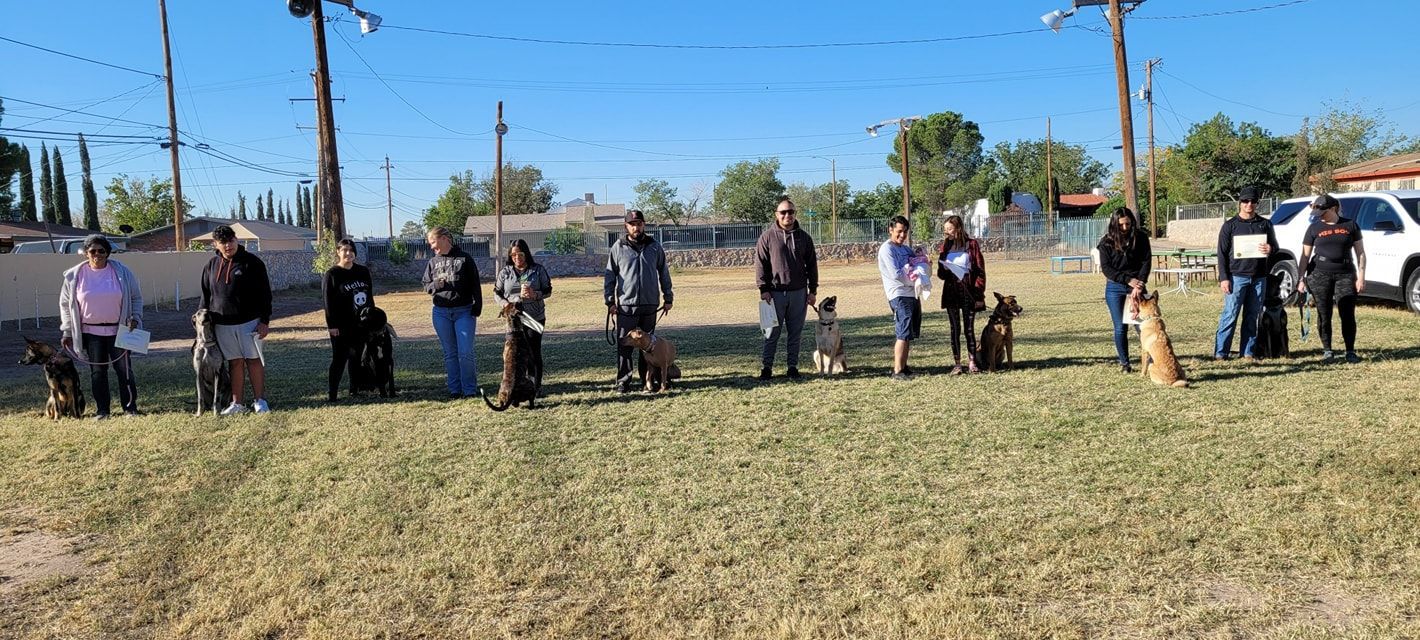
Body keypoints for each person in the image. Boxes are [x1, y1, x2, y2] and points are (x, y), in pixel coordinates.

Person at [57, 234, 143, 419]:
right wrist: (67, 330)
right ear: (86, 253)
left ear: (108, 252)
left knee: (124, 370)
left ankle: (130, 408)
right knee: (98, 372)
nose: (97, 254)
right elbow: (66, 305)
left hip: (120, 330)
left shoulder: (123, 272)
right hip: (91, 333)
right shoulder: (74, 276)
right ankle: (103, 410)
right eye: (92, 251)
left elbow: (136, 298)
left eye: (101, 251)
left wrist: (135, 317)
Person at [201, 225, 273, 415]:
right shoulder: (210, 265)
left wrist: (264, 321)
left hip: (250, 322)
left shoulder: (252, 263)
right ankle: (237, 404)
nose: (228, 246)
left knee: (254, 361)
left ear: (236, 240)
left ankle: (260, 401)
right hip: (222, 325)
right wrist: (202, 322)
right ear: (215, 244)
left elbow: (265, 294)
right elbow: (205, 296)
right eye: (223, 243)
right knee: (234, 363)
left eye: (231, 241)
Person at [604, 209, 673, 393]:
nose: (636, 227)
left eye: (639, 223)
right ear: (626, 226)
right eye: (632, 224)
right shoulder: (618, 247)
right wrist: (610, 301)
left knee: (648, 346)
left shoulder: (655, 246)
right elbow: (610, 275)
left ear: (644, 225)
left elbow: (664, 273)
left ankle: (648, 381)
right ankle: (623, 381)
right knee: (625, 345)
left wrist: (668, 297)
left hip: (650, 305)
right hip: (626, 306)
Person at [1296, 193, 1366, 363]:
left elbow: (1360, 253)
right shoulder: (1314, 228)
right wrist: (1300, 278)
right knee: (1324, 313)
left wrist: (1361, 276)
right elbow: (1305, 256)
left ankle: (1350, 350)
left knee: (1347, 313)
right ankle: (1327, 350)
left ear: (1333, 209)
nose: (1320, 217)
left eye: (1323, 213)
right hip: (1320, 274)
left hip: (1345, 273)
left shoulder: (1350, 225)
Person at [754, 197, 818, 380]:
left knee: (795, 333)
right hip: (774, 294)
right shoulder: (767, 237)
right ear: (776, 214)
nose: (787, 215)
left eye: (791, 212)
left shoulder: (804, 238)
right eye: (783, 212)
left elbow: (812, 265)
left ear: (795, 214)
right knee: (771, 332)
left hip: (799, 293)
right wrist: (763, 289)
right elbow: (760, 265)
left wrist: (812, 291)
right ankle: (767, 368)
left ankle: (792, 367)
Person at [1214, 185, 1278, 361]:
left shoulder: (1265, 224)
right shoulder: (1230, 226)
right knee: (1230, 315)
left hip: (1258, 278)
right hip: (1236, 277)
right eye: (1245, 201)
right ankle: (1221, 352)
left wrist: (1270, 248)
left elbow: (1276, 247)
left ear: (1257, 203)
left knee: (1252, 317)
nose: (1249, 204)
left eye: (1253, 201)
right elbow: (1221, 254)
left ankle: (1247, 352)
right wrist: (1224, 278)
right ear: (1240, 202)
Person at [421, 226, 483, 399]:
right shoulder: (433, 262)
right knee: (450, 353)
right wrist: (436, 285)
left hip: (464, 311)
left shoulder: (465, 258)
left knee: (465, 352)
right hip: (441, 312)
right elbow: (426, 285)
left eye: (433, 242)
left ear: (444, 238)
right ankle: (455, 389)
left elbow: (475, 284)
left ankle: (469, 389)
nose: (432, 247)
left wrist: (478, 305)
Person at [1096, 208, 1152, 373]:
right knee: (1120, 327)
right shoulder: (1106, 242)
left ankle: (1151, 360)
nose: (1126, 227)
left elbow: (1146, 261)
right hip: (1115, 287)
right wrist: (1128, 280)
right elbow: (1107, 269)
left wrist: (1139, 284)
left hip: (1138, 286)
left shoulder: (1140, 238)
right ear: (1115, 224)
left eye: (1128, 223)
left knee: (1142, 325)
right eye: (1121, 225)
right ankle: (1125, 363)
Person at [493, 238, 553, 389]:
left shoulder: (537, 270)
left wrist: (535, 294)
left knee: (533, 352)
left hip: (534, 317)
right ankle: (517, 384)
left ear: (526, 254)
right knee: (514, 354)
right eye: (513, 255)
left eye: (520, 254)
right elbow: (497, 293)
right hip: (514, 320)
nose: (517, 258)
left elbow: (548, 290)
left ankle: (534, 386)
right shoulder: (505, 272)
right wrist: (505, 304)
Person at [322, 238, 374, 402]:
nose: (348, 253)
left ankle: (355, 388)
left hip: (361, 322)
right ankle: (333, 393)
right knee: (339, 358)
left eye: (351, 250)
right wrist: (332, 325)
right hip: (341, 324)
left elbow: (369, 297)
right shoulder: (332, 274)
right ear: (338, 252)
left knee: (357, 357)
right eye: (344, 250)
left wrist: (372, 318)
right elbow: (327, 302)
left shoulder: (363, 271)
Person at [936, 215, 986, 374]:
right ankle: (957, 364)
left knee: (969, 329)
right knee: (954, 329)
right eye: (945, 230)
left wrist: (979, 296)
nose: (947, 233)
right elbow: (941, 275)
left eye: (950, 229)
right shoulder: (945, 247)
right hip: (951, 293)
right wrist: (943, 268)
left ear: (958, 228)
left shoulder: (971, 245)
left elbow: (980, 271)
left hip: (968, 293)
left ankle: (972, 362)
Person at [878, 215, 918, 380]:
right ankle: (897, 371)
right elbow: (896, 274)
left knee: (908, 332)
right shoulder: (887, 249)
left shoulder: (906, 249)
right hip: (899, 295)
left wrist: (923, 261)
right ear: (891, 230)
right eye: (899, 231)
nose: (902, 235)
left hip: (911, 294)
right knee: (902, 331)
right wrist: (913, 281)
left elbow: (917, 263)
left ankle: (904, 366)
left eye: (905, 232)